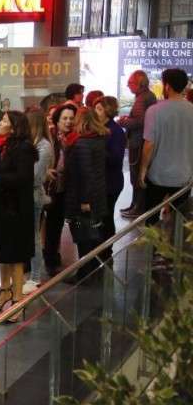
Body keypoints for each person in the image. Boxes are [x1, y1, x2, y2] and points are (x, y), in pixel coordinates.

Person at [0, 111, 36, 323]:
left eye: (4, 121)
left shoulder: (23, 149)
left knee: (15, 254)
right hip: (0, 208)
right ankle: (5, 289)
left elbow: (23, 178)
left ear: (14, 127)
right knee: (3, 251)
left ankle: (18, 300)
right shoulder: (3, 147)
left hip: (16, 210)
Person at [140, 68, 193, 225]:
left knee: (152, 220)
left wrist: (142, 170)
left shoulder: (154, 111)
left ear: (167, 86)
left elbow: (149, 144)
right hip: (184, 177)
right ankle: (174, 249)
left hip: (157, 176)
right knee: (180, 221)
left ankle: (154, 249)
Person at [64, 107, 109, 281]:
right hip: (98, 194)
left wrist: (84, 200)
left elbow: (85, 174)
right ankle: (92, 270)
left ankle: (84, 273)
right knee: (91, 234)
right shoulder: (98, 140)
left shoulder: (82, 143)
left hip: (84, 196)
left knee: (83, 236)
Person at [43, 104, 78, 277]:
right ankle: (47, 259)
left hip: (64, 188)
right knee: (48, 225)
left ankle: (52, 257)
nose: (68, 122)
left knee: (57, 225)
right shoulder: (49, 136)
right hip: (49, 187)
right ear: (57, 120)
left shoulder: (74, 138)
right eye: (64, 118)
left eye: (71, 118)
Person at [118, 70, 157, 218]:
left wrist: (123, 122)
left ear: (140, 83)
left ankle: (138, 207)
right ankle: (136, 205)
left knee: (137, 176)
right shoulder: (147, 96)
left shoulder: (142, 98)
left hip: (138, 142)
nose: (128, 86)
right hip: (140, 140)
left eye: (130, 83)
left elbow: (140, 122)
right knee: (137, 175)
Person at [23, 107, 54, 293]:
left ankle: (35, 277)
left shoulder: (43, 146)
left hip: (34, 196)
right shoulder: (33, 144)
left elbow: (35, 176)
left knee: (34, 236)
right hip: (27, 194)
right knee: (28, 236)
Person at [94, 96, 127, 257]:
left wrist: (96, 150)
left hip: (110, 182)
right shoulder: (101, 128)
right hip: (104, 182)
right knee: (102, 218)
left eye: (100, 109)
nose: (96, 112)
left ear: (108, 110)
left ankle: (106, 252)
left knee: (106, 218)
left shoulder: (115, 131)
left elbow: (115, 158)